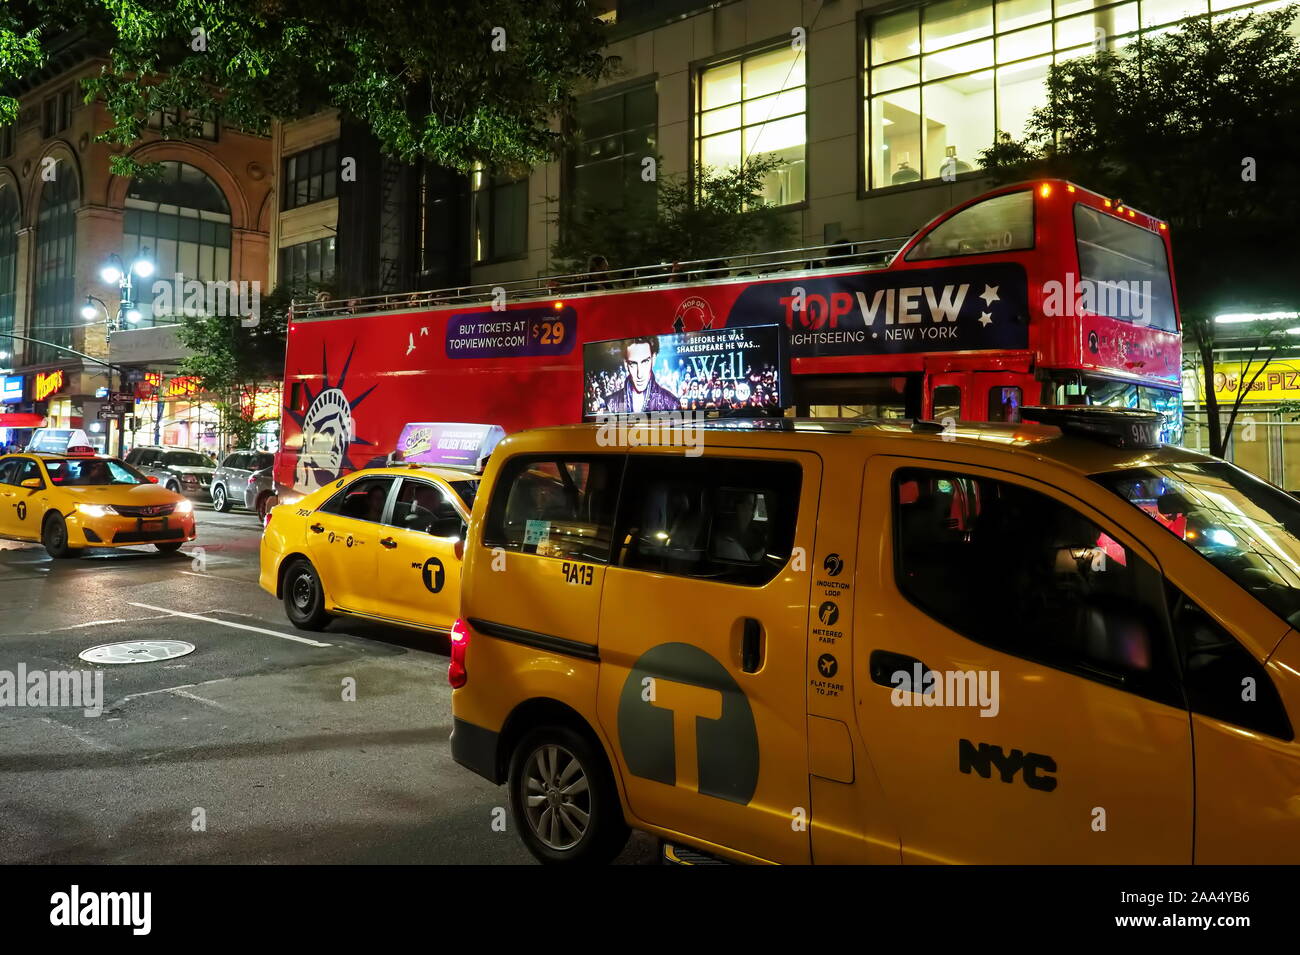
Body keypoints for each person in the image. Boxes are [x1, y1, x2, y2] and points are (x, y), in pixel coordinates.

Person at [603, 337, 680, 414]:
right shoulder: (610, 404)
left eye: (645, 362)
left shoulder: (671, 404)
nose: (639, 375)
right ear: (626, 364)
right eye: (633, 364)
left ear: (654, 359)